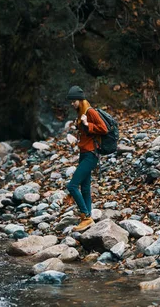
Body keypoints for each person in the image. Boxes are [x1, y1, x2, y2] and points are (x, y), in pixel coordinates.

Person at [66, 85, 108, 232]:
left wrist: (86, 124)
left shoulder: (90, 112)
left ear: (80, 99)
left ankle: (85, 216)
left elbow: (104, 129)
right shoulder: (81, 112)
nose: (72, 104)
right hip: (84, 153)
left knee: (71, 186)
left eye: (73, 101)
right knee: (85, 187)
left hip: (91, 154)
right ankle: (88, 217)